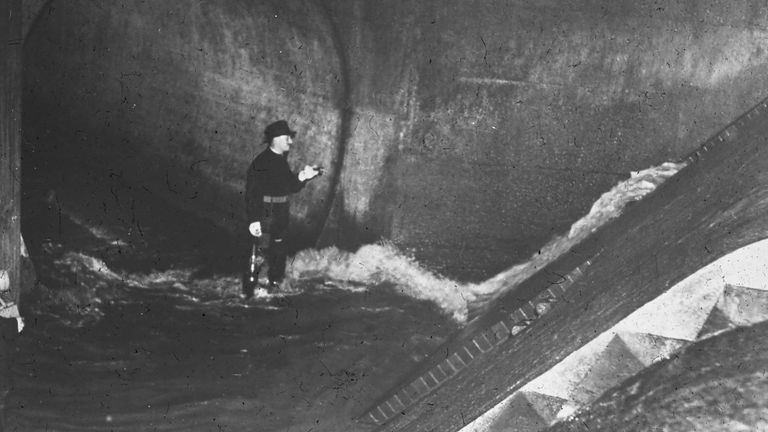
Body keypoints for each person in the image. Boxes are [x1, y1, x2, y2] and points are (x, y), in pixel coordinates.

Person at [242, 120, 322, 298]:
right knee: (260, 251)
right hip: (266, 213)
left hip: (279, 213)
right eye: (287, 138)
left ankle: (274, 286)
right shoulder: (261, 162)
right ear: (276, 139)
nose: (291, 142)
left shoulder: (280, 161)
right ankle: (248, 292)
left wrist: (305, 176)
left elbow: (289, 186)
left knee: (279, 250)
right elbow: (252, 193)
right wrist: (254, 219)